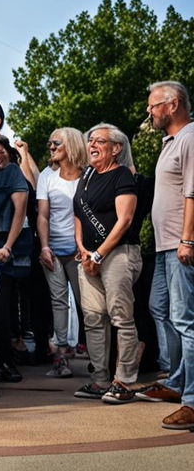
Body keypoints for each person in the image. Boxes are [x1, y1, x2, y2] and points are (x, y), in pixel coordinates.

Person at [72, 123, 142, 403]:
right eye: (90, 140)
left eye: (99, 140)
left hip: (117, 254)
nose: (92, 145)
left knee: (121, 318)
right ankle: (100, 381)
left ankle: (124, 381)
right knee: (92, 318)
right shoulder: (86, 175)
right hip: (87, 257)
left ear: (116, 148)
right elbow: (78, 212)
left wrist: (98, 253)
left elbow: (124, 220)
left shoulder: (122, 175)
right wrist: (82, 250)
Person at [141, 81, 194, 430]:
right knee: (160, 309)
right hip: (164, 246)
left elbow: (193, 191)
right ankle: (176, 382)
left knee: (185, 319)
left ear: (172, 104)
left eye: (154, 105)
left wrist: (188, 239)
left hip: (180, 244)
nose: (149, 111)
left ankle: (192, 400)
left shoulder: (190, 137)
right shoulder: (170, 142)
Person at [36, 126, 88, 378]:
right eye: (50, 144)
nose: (52, 147)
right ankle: (61, 358)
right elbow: (43, 215)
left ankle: (99, 360)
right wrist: (44, 246)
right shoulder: (46, 175)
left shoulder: (88, 175)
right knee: (58, 302)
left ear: (72, 145)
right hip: (54, 249)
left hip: (81, 250)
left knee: (86, 303)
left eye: (57, 143)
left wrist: (87, 247)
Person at [0, 135, 30, 383]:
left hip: (5, 249)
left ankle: (8, 363)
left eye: (1, 152)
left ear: (9, 154)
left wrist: (8, 247)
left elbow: (19, 212)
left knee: (2, 309)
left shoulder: (13, 172)